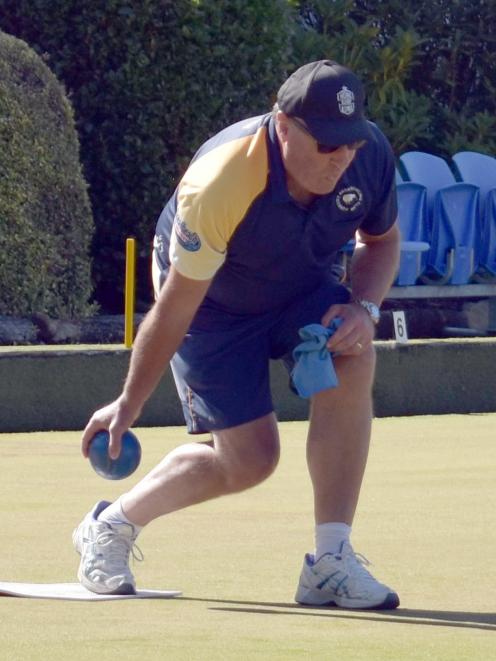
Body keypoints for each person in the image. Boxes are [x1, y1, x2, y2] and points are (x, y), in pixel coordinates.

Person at [73, 60, 401, 609]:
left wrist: (363, 310)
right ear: (284, 125)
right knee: (250, 460)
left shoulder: (368, 156)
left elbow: (381, 242)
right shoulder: (223, 179)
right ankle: (112, 524)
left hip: (300, 285)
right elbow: (176, 308)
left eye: (349, 144)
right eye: (326, 145)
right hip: (211, 304)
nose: (341, 158)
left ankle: (331, 560)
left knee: (353, 354)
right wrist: (128, 404)